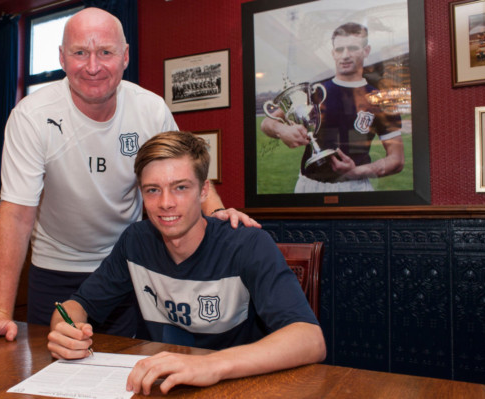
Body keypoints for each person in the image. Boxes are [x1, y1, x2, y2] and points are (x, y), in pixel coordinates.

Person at [0, 7, 258, 348]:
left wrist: (219, 220)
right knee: (48, 375)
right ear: (62, 58)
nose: (92, 66)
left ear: (125, 56)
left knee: (123, 370)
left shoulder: (150, 110)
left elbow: (186, 178)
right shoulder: (31, 117)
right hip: (55, 268)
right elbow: (17, 215)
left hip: (127, 267)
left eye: (105, 52)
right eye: (80, 53)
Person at [47, 131, 326, 395]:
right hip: (155, 386)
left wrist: (210, 365)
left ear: (204, 191)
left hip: (235, 386)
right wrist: (65, 331)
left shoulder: (248, 244)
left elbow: (310, 340)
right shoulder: (135, 242)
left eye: (180, 187)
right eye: (153, 190)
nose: (165, 203)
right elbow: (76, 306)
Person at [260, 22, 404, 193]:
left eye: (352, 48)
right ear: (333, 53)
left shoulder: (379, 99)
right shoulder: (313, 89)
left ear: (366, 51)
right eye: (339, 50)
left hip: (355, 187)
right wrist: (281, 130)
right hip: (308, 185)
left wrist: (356, 172)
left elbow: (397, 159)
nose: (345, 55)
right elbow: (267, 123)